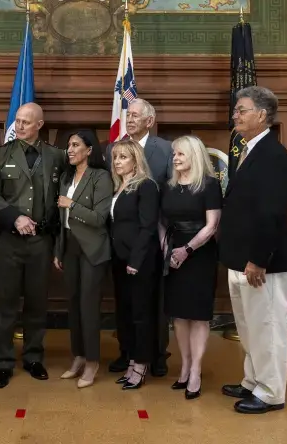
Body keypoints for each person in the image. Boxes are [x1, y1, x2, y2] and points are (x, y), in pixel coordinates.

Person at [219, 85, 287, 414]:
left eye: (242, 110)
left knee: (268, 328)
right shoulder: (247, 150)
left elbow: (272, 213)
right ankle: (253, 381)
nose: (235, 115)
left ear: (263, 115)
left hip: (262, 263)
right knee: (249, 327)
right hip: (240, 259)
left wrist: (257, 259)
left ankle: (270, 392)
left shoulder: (274, 156)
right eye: (236, 110)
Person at [0, 102, 66, 389]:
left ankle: (33, 357)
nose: (19, 126)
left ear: (40, 125)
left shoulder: (56, 156)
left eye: (26, 122)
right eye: (17, 120)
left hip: (41, 240)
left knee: (37, 302)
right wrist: (14, 218)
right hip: (9, 241)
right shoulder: (0, 155)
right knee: (4, 304)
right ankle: (3, 362)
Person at [105, 98, 173, 377]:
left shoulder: (165, 150)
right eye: (127, 115)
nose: (129, 119)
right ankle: (129, 353)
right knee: (128, 306)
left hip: (151, 243)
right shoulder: (112, 148)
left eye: (135, 115)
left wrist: (163, 239)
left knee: (150, 306)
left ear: (149, 120)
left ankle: (153, 356)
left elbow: (169, 193)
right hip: (122, 249)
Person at [159, 135, 222, 400]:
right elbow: (160, 220)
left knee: (198, 314)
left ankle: (196, 370)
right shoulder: (168, 186)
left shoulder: (209, 185)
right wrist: (166, 249)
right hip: (172, 252)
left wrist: (186, 250)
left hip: (199, 254)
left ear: (194, 155)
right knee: (179, 315)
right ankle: (184, 366)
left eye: (180, 154)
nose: (175, 158)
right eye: (174, 154)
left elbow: (212, 226)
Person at [53, 129, 113, 389]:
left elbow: (100, 218)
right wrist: (58, 250)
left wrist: (72, 205)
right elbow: (60, 221)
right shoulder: (66, 178)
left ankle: (92, 361)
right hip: (70, 247)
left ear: (89, 150)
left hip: (93, 249)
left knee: (89, 307)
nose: (70, 149)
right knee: (74, 305)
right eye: (68, 145)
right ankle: (78, 356)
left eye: (76, 145)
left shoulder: (101, 177)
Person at [109, 139, 160, 390]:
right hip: (119, 259)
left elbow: (147, 226)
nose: (117, 161)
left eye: (123, 157)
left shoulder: (146, 186)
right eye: (115, 157)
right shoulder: (119, 187)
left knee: (140, 314)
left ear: (136, 160)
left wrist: (136, 260)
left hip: (138, 260)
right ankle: (130, 360)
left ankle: (141, 364)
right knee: (126, 314)